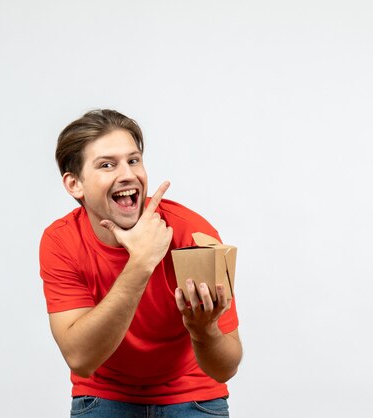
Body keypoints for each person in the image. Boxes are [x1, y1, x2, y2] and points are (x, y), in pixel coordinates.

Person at [39, 109, 242, 417]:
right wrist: (141, 262)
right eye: (107, 165)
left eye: (133, 160)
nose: (128, 174)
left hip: (192, 393)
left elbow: (226, 368)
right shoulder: (61, 241)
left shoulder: (191, 234)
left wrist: (205, 331)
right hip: (104, 394)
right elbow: (80, 357)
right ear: (74, 184)